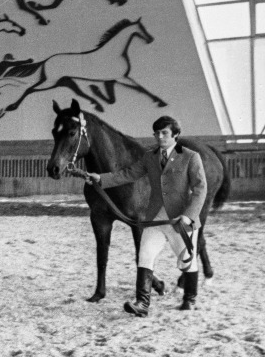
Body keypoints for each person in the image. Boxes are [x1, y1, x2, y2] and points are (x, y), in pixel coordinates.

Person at [84, 115, 207, 315]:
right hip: (155, 218)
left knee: (186, 259)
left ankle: (189, 299)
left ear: (175, 135)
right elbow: (127, 174)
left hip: (180, 220)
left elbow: (201, 189)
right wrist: (101, 178)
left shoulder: (191, 157)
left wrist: (188, 216)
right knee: (145, 256)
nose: (160, 137)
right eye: (157, 133)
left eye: (164, 133)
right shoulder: (150, 157)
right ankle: (142, 303)